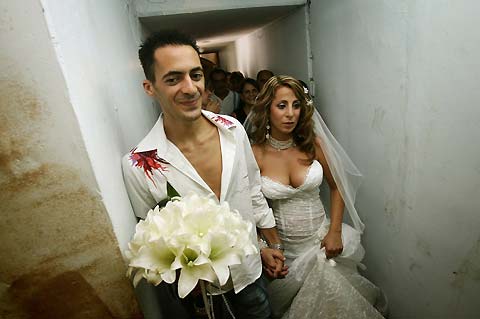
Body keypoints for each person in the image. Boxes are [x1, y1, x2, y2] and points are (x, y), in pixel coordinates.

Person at [122, 30, 287, 319]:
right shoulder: (139, 164)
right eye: (173, 79)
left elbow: (252, 192)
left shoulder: (233, 130)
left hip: (250, 273)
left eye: (195, 75)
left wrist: (269, 244)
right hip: (202, 298)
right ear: (150, 87)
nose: (190, 88)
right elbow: (152, 239)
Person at [246, 75, 388, 318]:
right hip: (284, 251)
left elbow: (337, 187)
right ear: (266, 108)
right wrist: (262, 247)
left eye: (296, 105)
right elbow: (249, 206)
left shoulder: (314, 145)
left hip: (322, 244)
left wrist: (334, 232)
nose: (291, 113)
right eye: (282, 106)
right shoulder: (254, 153)